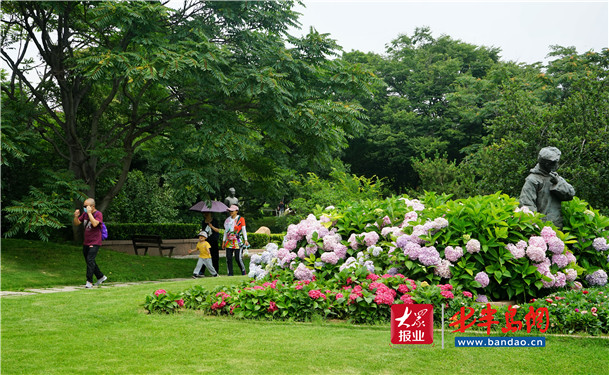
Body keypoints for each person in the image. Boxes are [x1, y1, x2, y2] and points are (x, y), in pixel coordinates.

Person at [519, 146, 575, 228]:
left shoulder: (554, 177)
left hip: (556, 227)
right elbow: (527, 205)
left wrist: (557, 183)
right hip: (540, 228)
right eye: (555, 162)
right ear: (547, 164)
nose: (557, 165)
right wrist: (535, 226)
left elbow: (571, 194)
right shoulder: (532, 180)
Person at [73, 198, 107, 288]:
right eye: (84, 206)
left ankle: (89, 281)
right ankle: (101, 276)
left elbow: (95, 224)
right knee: (89, 261)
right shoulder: (84, 214)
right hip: (86, 242)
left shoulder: (98, 214)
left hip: (95, 241)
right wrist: (76, 216)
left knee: (90, 260)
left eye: (86, 206)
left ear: (93, 206)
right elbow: (77, 223)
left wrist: (89, 213)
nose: (84, 208)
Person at [222, 204, 249, 276]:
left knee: (238, 258)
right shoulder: (227, 220)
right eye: (230, 211)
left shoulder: (241, 219)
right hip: (229, 241)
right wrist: (223, 241)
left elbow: (243, 229)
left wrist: (246, 240)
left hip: (238, 240)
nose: (231, 212)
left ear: (236, 211)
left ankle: (243, 271)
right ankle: (230, 273)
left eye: (232, 211)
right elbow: (226, 231)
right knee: (228, 258)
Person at [199, 212, 220, 276]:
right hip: (206, 242)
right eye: (205, 214)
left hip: (214, 241)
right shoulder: (203, 222)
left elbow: (218, 230)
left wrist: (211, 226)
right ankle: (201, 271)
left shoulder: (215, 221)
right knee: (204, 255)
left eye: (207, 214)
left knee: (214, 257)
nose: (206, 215)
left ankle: (215, 271)